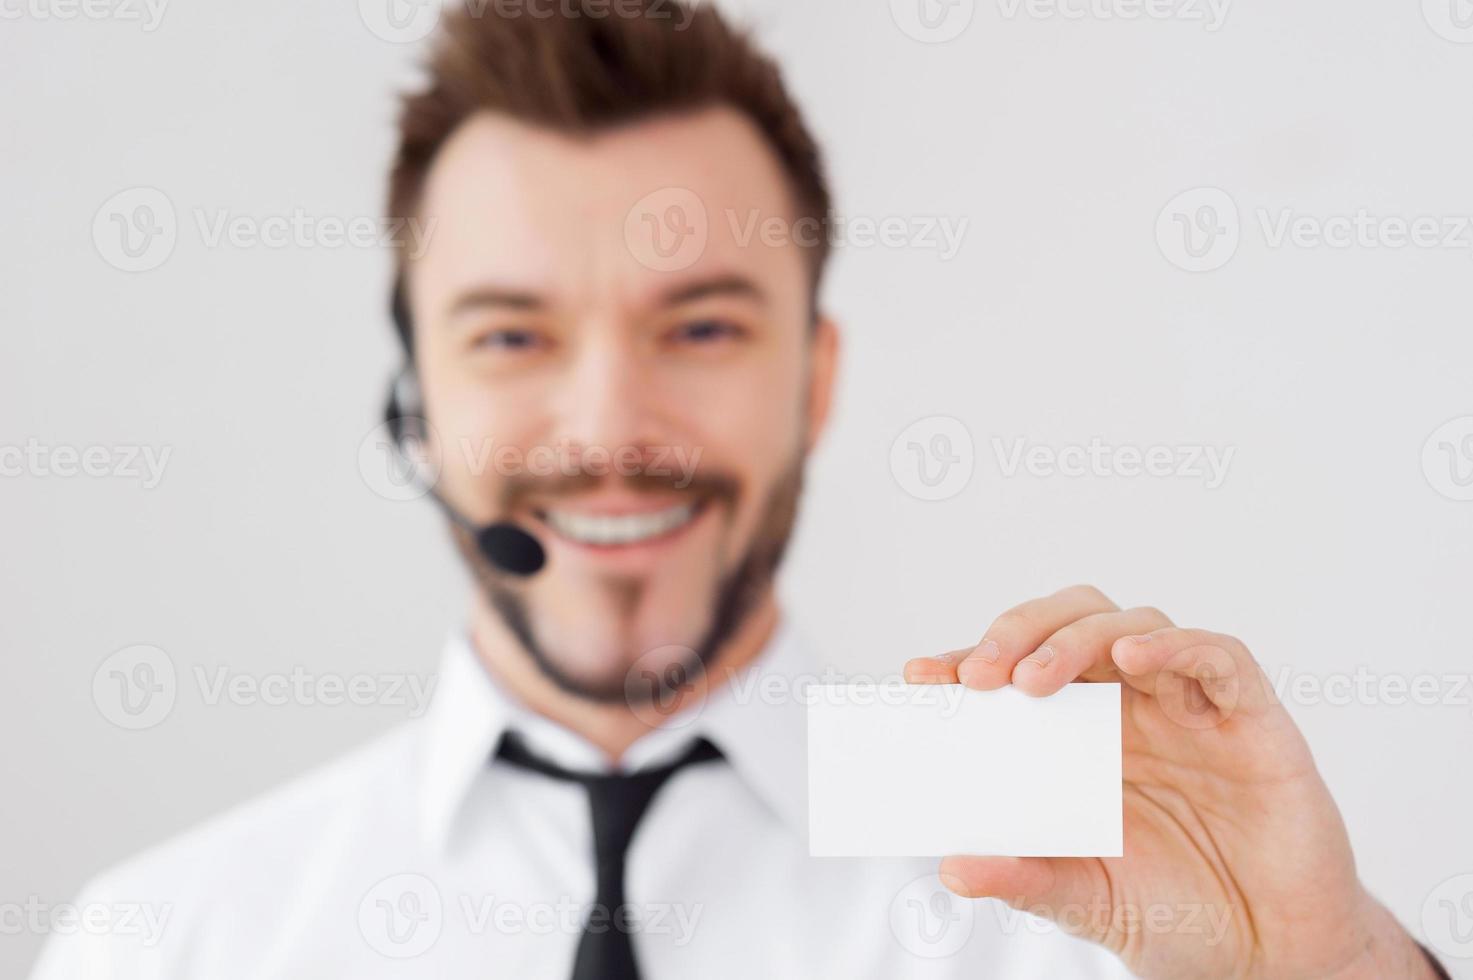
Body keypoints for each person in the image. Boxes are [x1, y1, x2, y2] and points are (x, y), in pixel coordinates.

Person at [33, 1, 1449, 977]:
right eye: (511, 335)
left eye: (699, 326)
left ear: (815, 379)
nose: (608, 428)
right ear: (414, 396)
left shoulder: (1090, 900)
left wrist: (1324, 967)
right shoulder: (165, 944)